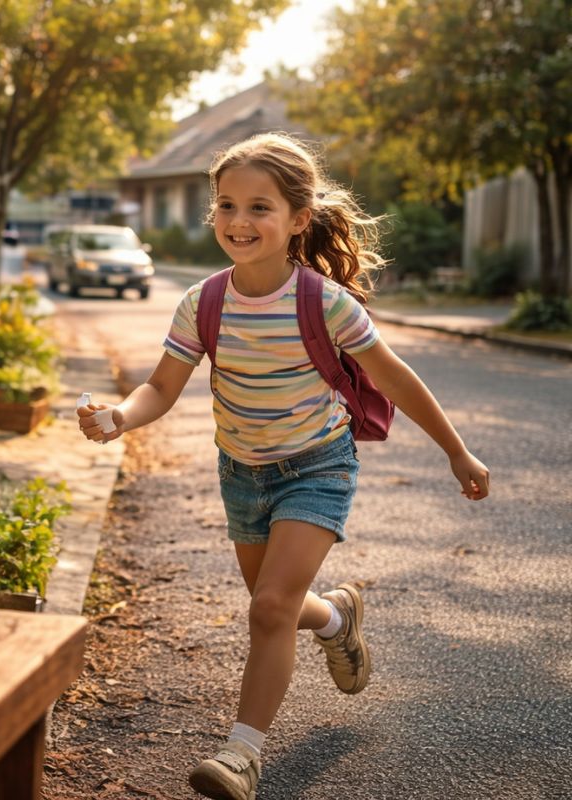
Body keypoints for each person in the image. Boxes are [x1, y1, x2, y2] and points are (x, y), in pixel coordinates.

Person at [77, 132, 490, 800]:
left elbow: (398, 379)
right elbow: (160, 388)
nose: (239, 222)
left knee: (269, 609)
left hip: (317, 467)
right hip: (242, 473)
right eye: (226, 206)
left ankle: (242, 755)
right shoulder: (203, 302)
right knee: (278, 605)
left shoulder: (324, 302)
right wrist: (121, 416)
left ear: (299, 219)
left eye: (259, 208)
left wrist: (456, 451)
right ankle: (336, 619)